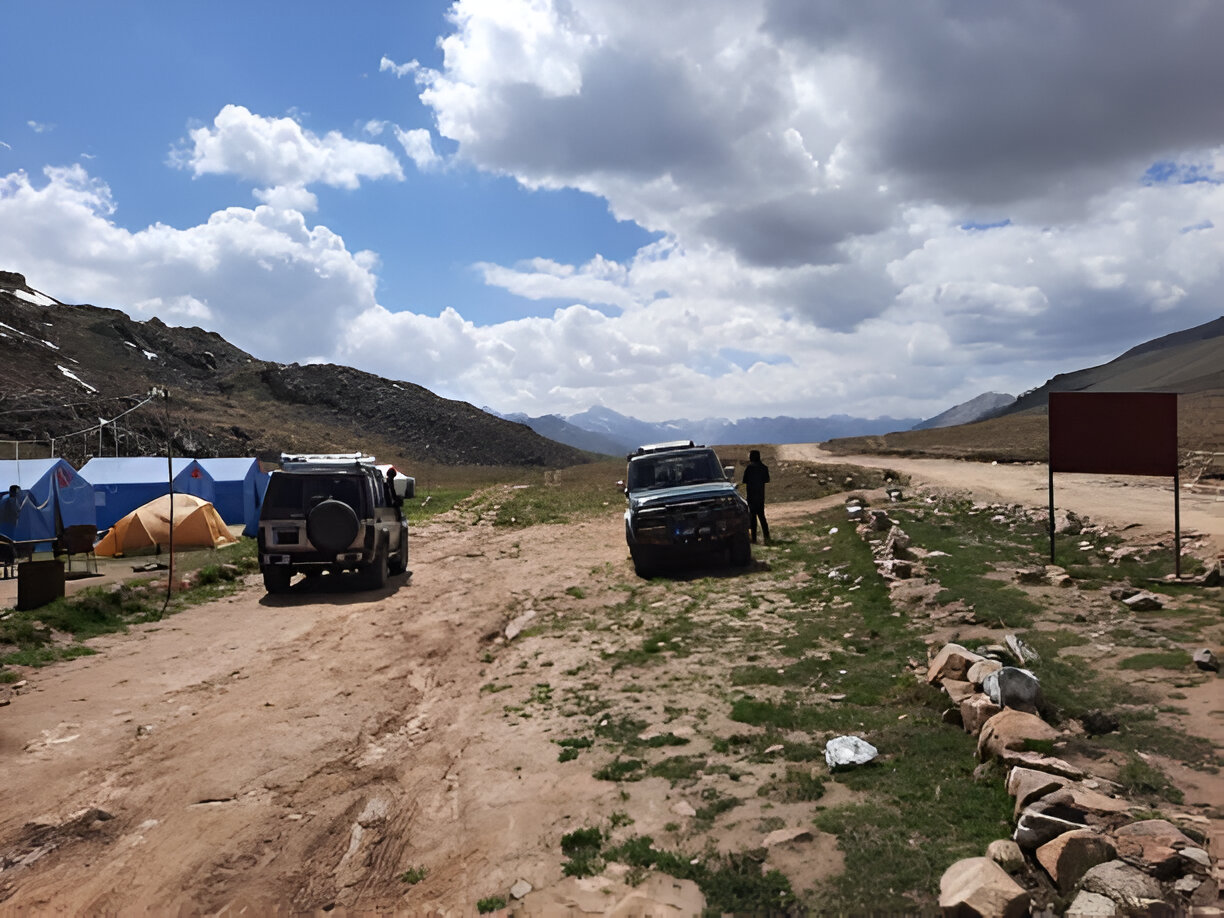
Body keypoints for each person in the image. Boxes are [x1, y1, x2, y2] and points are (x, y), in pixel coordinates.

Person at [741, 450, 770, 543]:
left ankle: (754, 538)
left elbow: (744, 480)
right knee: (762, 516)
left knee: (753, 518)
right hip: (760, 496)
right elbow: (767, 479)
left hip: (751, 496)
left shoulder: (749, 468)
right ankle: (767, 537)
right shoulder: (764, 467)